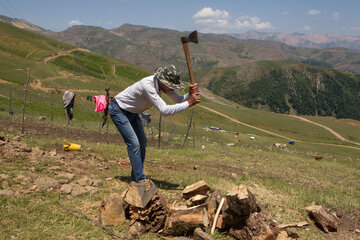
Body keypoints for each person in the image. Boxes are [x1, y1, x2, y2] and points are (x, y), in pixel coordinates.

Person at [110, 64, 200, 183]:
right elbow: (164, 110)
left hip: (133, 112)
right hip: (119, 110)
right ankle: (140, 180)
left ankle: (135, 177)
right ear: (162, 81)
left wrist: (189, 95)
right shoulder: (148, 85)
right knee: (134, 144)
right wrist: (189, 103)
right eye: (170, 86)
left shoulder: (162, 85)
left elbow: (178, 100)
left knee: (142, 142)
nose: (171, 89)